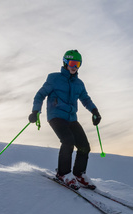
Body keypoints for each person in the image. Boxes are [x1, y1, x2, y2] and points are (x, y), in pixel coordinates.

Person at [28, 50, 101, 190]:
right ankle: (63, 173)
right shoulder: (54, 78)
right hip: (56, 116)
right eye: (72, 63)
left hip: (72, 118)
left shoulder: (79, 83)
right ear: (65, 62)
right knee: (68, 141)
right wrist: (35, 111)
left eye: (78, 64)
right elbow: (40, 94)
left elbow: (85, 99)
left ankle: (79, 174)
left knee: (84, 146)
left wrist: (95, 111)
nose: (74, 67)